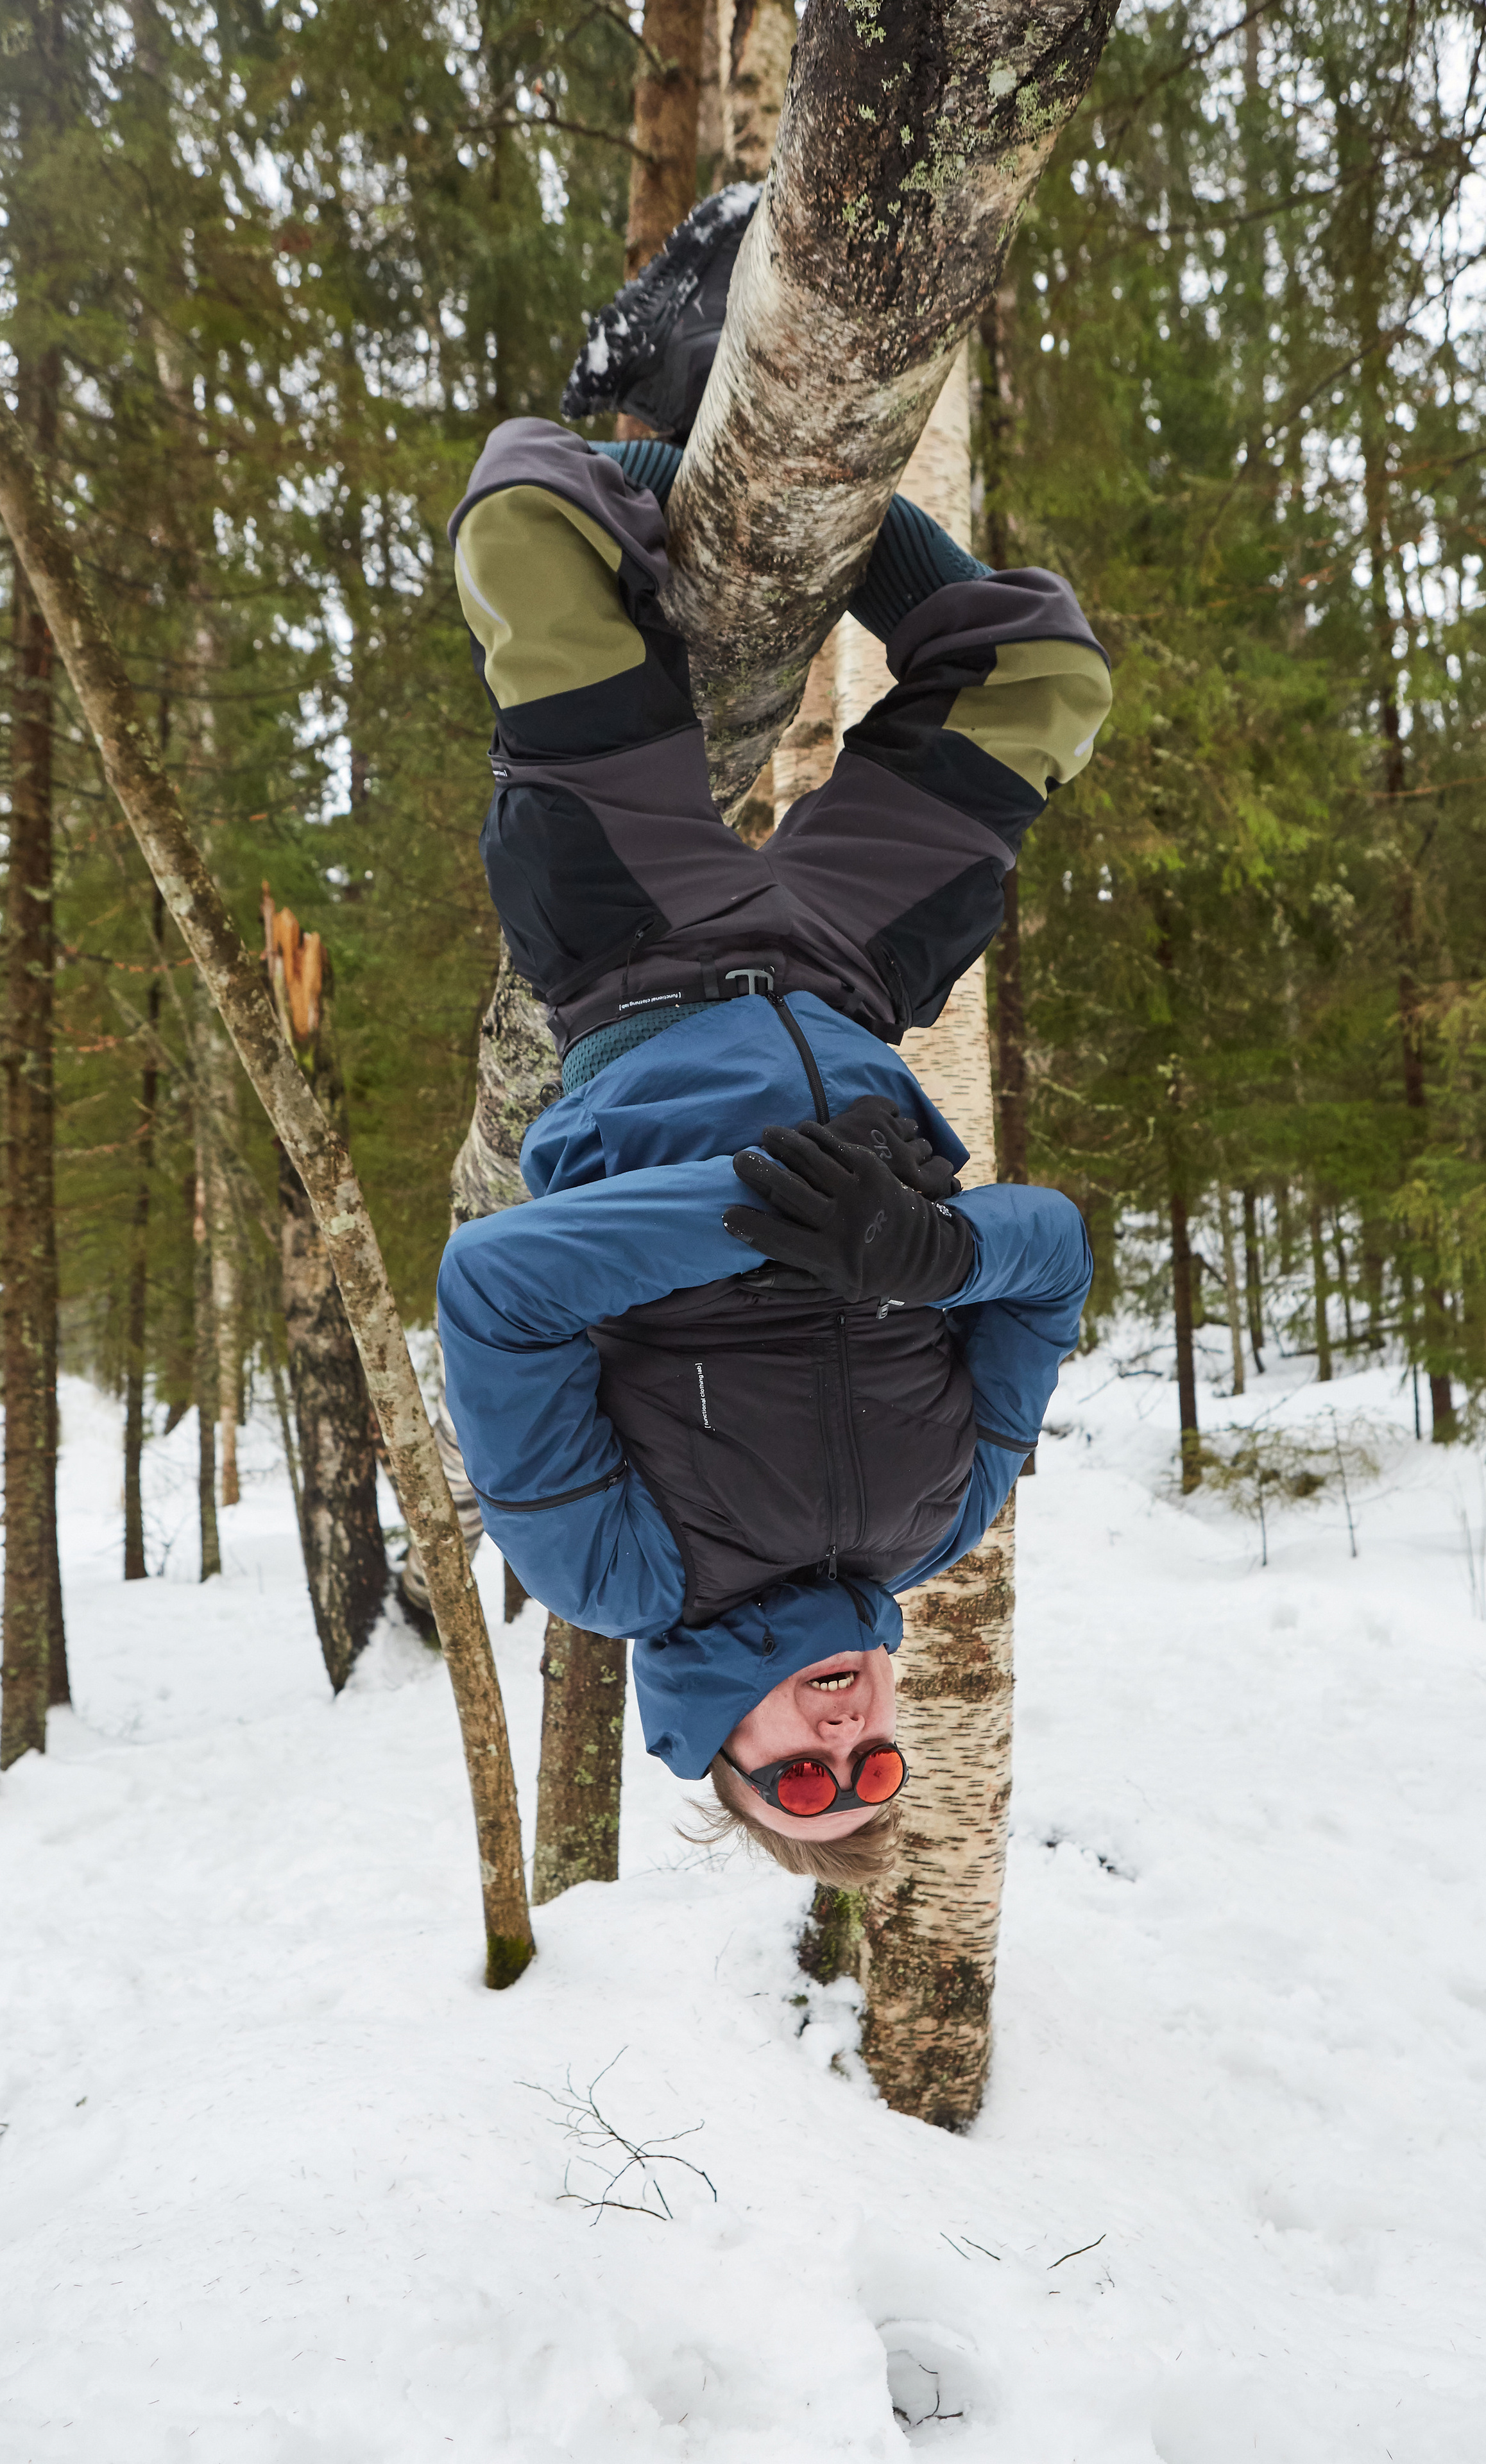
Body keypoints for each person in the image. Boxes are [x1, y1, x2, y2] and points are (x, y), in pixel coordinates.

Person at [436, 195, 1111, 1886]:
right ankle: (778, 447)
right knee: (1042, 674)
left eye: (805, 1787)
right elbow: (1051, 1263)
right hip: (847, 981)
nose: (844, 1743)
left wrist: (752, 1214)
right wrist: (921, 1246)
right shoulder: (946, 1517)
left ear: (711, 1746)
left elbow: (499, 1296)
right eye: (879, 1763)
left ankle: (663, 431)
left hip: (630, 969)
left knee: (525, 522)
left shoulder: (623, 1576)